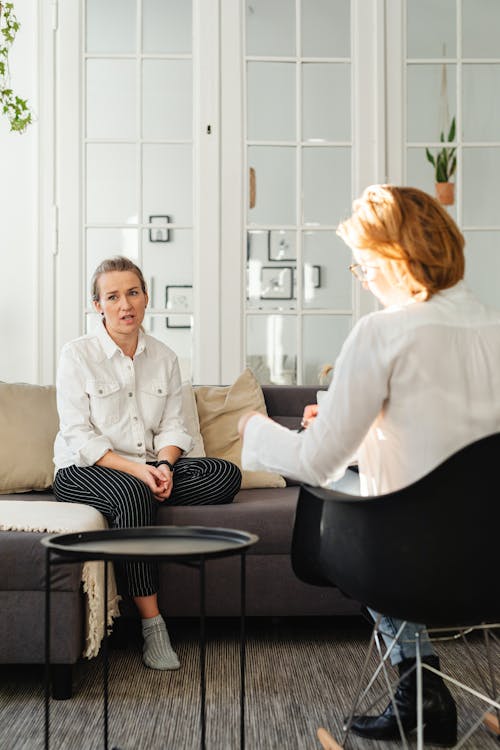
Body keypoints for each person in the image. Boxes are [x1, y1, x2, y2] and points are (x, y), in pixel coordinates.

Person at [238, 185, 500, 744]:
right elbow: (455, 448)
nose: (364, 279)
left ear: (393, 257)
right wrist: (360, 423)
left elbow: (316, 460)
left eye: (362, 266)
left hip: (405, 565)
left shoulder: (384, 333)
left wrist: (254, 430)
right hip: (490, 563)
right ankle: (421, 691)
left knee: (326, 496)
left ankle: (419, 688)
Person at [53, 256, 241, 671]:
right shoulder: (77, 356)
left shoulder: (165, 357)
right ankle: (153, 625)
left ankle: (135, 509)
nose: (125, 305)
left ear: (146, 298)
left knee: (225, 474)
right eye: (113, 296)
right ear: (97, 305)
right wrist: (141, 472)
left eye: (133, 293)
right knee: (134, 491)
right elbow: (79, 436)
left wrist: (165, 468)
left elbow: (175, 427)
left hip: (149, 467)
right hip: (82, 470)